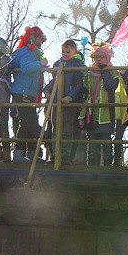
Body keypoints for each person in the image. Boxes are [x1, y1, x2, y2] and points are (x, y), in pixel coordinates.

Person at [81, 43, 126, 168]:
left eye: (102, 57)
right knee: (93, 143)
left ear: (107, 58)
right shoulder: (89, 74)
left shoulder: (113, 72)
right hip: (92, 114)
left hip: (106, 114)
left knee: (106, 142)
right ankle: (92, 168)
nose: (99, 59)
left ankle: (107, 168)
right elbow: (84, 90)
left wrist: (105, 70)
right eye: (96, 57)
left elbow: (110, 86)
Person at [43, 39, 86, 167]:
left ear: (74, 51)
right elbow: (54, 81)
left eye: (68, 51)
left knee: (67, 130)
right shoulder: (58, 64)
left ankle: (65, 157)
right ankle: (55, 156)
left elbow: (79, 85)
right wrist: (47, 90)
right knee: (55, 129)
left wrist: (70, 97)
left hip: (68, 103)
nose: (65, 54)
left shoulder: (77, 65)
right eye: (63, 51)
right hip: (56, 102)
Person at [10, 26, 48, 163]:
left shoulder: (29, 51)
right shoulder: (27, 51)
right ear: (33, 37)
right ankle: (19, 153)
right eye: (39, 39)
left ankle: (32, 153)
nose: (41, 42)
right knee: (26, 122)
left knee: (32, 123)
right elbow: (26, 68)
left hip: (27, 92)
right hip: (23, 92)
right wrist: (41, 63)